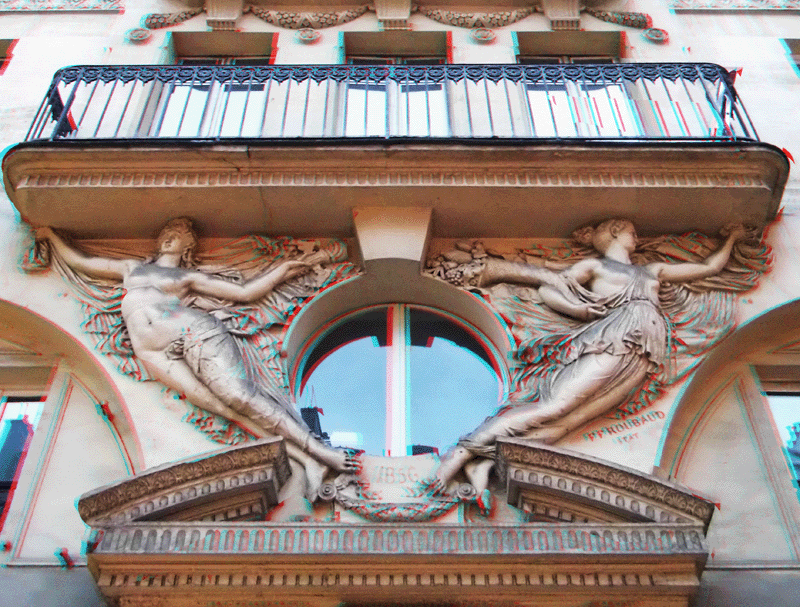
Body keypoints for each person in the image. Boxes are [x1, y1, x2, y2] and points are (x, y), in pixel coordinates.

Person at [34, 219, 359, 504]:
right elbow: (84, 260)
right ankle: (305, 459)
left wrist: (285, 268)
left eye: (177, 234)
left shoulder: (186, 276)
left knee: (237, 395)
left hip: (190, 330)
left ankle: (320, 451)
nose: (168, 237)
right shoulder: (132, 268)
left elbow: (245, 292)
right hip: (150, 349)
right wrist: (52, 235)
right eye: (166, 233)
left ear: (188, 244)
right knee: (218, 407)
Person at [430, 218, 748, 497]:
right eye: (632, 232)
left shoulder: (652, 270)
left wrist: (732, 239)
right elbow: (551, 288)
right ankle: (460, 454)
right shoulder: (597, 267)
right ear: (614, 232)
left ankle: (486, 463)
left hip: (646, 349)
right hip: (615, 338)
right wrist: (579, 310)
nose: (637, 239)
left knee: (568, 423)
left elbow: (708, 268)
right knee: (553, 407)